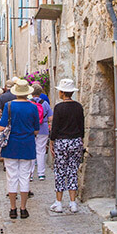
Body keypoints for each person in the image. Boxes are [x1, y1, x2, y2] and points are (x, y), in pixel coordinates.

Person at [0, 79, 40, 219]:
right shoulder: (33, 107)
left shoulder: (8, 106)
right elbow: (36, 130)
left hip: (11, 145)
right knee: (25, 177)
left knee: (11, 177)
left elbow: (2, 127)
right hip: (27, 145)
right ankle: (23, 208)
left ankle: (12, 208)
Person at [49, 79, 85, 213]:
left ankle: (59, 202)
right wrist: (81, 140)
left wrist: (52, 141)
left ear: (63, 93)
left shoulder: (59, 108)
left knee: (60, 171)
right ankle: (72, 203)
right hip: (75, 141)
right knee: (72, 171)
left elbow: (55, 127)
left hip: (61, 142)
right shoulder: (78, 107)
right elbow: (81, 126)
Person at [31, 82, 53, 181]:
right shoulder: (44, 103)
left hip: (31, 129)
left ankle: (30, 174)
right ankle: (41, 173)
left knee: (31, 151)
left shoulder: (28, 102)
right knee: (41, 151)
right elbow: (51, 117)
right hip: (43, 128)